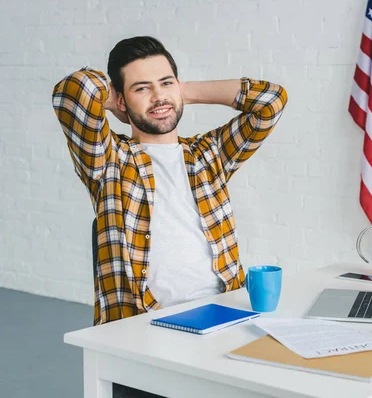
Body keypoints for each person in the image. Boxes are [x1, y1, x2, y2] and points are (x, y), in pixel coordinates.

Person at [52, 36, 288, 327]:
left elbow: (271, 101)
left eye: (165, 83)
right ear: (120, 99)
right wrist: (119, 101)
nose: (158, 97)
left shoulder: (209, 155)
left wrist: (181, 93)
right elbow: (75, 91)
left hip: (225, 310)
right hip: (144, 322)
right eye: (142, 88)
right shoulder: (108, 161)